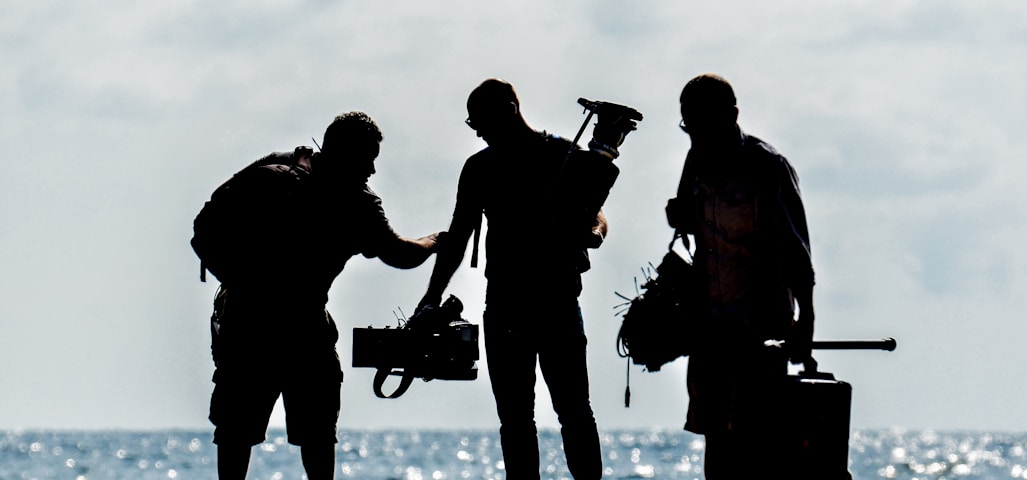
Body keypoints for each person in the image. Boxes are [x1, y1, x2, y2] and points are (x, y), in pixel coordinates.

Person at [190, 111, 440, 480]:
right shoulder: (357, 204)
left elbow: (202, 231)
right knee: (317, 437)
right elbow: (400, 254)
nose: (371, 170)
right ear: (348, 153)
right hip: (303, 331)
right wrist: (435, 242)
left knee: (236, 435)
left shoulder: (276, 168)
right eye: (368, 158)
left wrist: (240, 283)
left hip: (244, 324)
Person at [415, 78, 637, 479]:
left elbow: (596, 212)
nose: (479, 131)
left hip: (556, 306)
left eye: (481, 121)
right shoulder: (479, 168)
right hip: (506, 309)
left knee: (574, 413)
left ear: (510, 109)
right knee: (518, 421)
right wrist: (430, 299)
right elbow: (458, 237)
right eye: (473, 124)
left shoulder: (562, 153)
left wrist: (595, 232)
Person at [665, 73, 816, 478]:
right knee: (717, 448)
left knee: (756, 447)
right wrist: (679, 216)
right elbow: (687, 227)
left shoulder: (768, 167)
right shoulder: (695, 160)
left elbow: (796, 250)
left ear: (732, 116)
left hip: (759, 331)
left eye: (703, 124)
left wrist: (806, 322)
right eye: (689, 126)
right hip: (709, 329)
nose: (695, 135)